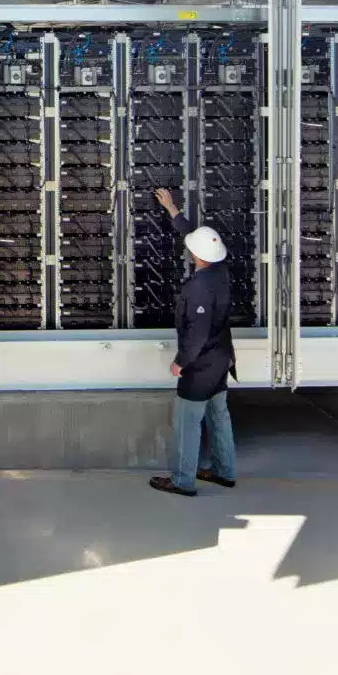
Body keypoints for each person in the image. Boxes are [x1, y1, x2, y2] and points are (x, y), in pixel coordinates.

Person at [148, 188, 236, 496]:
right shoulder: (221, 270)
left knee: (187, 423)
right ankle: (225, 472)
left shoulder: (200, 288)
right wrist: (172, 210)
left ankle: (183, 481)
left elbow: (196, 333)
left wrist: (180, 363)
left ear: (196, 257)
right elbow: (196, 237)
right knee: (219, 416)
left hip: (201, 365)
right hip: (222, 358)